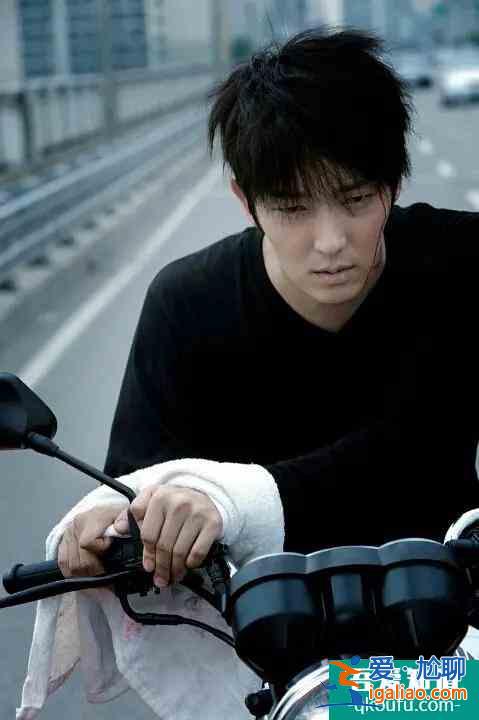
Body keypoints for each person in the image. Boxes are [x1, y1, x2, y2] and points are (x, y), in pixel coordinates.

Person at [58, 27, 479, 590]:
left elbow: (411, 447)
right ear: (246, 201)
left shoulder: (461, 264)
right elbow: (136, 490)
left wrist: (227, 501)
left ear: (394, 184)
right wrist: (106, 523)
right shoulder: (188, 305)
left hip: (446, 623)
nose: (330, 242)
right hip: (255, 633)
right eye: (292, 209)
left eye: (356, 200)